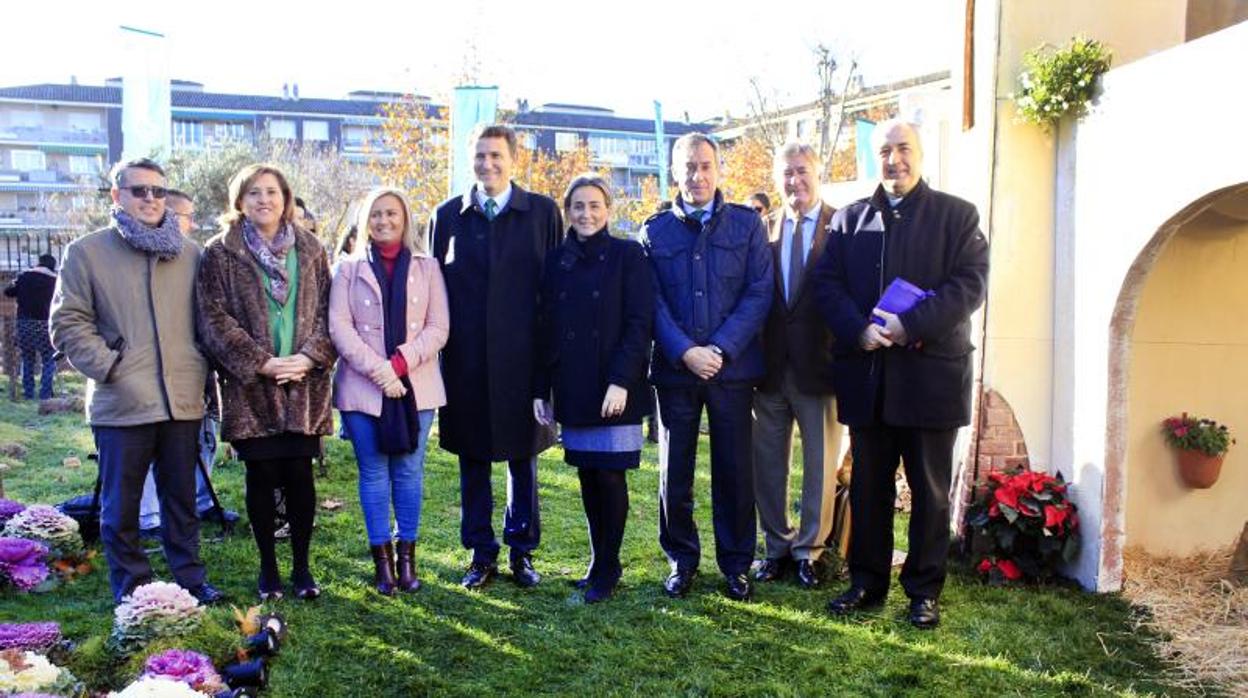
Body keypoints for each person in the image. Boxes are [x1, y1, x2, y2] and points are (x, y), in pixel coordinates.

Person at [812, 119, 989, 628]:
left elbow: (969, 287)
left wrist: (908, 324)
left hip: (931, 379)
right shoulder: (849, 220)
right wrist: (857, 330)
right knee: (869, 489)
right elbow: (827, 286)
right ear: (876, 158)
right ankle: (866, 583)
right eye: (885, 151)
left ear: (921, 152)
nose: (895, 160)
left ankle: (923, 590)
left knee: (930, 494)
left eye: (904, 148)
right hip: (869, 378)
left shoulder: (957, 216)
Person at [49, 157, 222, 604]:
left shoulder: (191, 254)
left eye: (158, 191)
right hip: (122, 401)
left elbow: (207, 322)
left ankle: (190, 580)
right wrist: (111, 368)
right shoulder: (86, 252)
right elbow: (67, 323)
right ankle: (133, 588)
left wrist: (200, 370)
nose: (149, 199)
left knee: (181, 500)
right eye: (139, 190)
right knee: (120, 506)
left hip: (182, 398)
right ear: (117, 196)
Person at [429, 123, 562, 590]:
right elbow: (434, 294)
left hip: (525, 363)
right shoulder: (448, 216)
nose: (488, 164)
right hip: (465, 364)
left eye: (496, 156)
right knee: (473, 460)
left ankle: (521, 551)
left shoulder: (543, 213)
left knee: (523, 457)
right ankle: (480, 552)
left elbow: (554, 292)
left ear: (514, 159)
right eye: (480, 156)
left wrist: (548, 371)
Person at [197, 164, 336, 601]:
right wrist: (262, 363)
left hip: (303, 384)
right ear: (239, 201)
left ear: (286, 198)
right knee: (261, 473)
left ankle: (301, 568)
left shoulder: (311, 248)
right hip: (251, 387)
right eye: (253, 192)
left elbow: (328, 312)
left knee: (299, 474)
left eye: (272, 192)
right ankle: (269, 570)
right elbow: (213, 319)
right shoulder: (219, 253)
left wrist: (308, 357)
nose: (264, 200)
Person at [643, 133, 772, 601]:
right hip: (677, 373)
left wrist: (719, 348)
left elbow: (759, 292)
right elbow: (651, 302)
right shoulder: (654, 232)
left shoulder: (747, 226)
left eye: (705, 166)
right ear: (675, 171)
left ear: (719, 170)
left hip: (732, 371)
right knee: (674, 473)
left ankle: (736, 564)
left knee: (735, 471)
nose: (697, 176)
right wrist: (685, 351)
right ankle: (681, 559)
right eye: (688, 167)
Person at [533, 174, 654, 604]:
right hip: (574, 385)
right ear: (568, 211)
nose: (587, 214)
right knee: (587, 473)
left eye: (595, 206)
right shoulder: (555, 262)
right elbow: (544, 331)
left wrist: (621, 380)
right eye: (579, 206)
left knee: (609, 474)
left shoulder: (628, 255)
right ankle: (597, 560)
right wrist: (540, 389)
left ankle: (609, 564)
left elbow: (640, 324)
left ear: (609, 210)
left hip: (616, 386)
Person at [329, 187, 448, 596]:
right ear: (366, 221)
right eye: (376, 214)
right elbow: (339, 329)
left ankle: (407, 558)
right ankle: (382, 561)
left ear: (405, 218)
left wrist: (399, 364)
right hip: (363, 388)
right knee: (375, 472)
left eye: (392, 214)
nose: (384, 221)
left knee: (409, 471)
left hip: (417, 384)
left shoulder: (428, 267)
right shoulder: (347, 269)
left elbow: (439, 328)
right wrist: (380, 372)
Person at [752, 142, 841, 589]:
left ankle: (810, 550)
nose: (794, 181)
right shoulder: (763, 229)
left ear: (817, 173)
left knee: (819, 465)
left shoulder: (842, 226)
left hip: (820, 367)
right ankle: (775, 547)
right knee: (767, 463)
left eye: (802, 171)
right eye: (786, 173)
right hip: (769, 369)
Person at [137, 189, 233, 537]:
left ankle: (200, 500)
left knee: (204, 437)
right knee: (148, 450)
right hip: (142, 376)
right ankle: (149, 516)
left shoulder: (196, 256)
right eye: (184, 215)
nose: (189, 223)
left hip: (195, 370)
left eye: (191, 216)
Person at [4, 253, 58, 400]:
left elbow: (8, 292)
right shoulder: (55, 281)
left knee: (27, 358)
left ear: (38, 263)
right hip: (45, 325)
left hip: (24, 323)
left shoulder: (24, 277)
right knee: (48, 358)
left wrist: (17, 282)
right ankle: (45, 393)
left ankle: (28, 393)